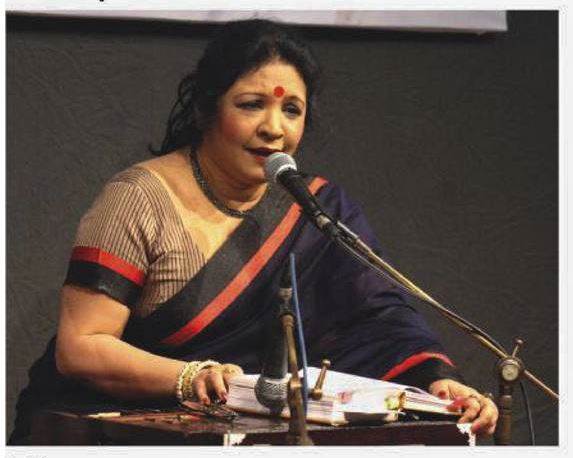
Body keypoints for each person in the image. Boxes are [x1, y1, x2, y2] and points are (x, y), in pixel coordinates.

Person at [10, 19, 498, 445]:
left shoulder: (316, 210)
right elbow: (81, 346)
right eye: (250, 104)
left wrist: (435, 383)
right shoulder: (137, 198)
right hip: (109, 430)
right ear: (205, 109)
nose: (273, 128)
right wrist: (188, 377)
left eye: (291, 110)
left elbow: (380, 321)